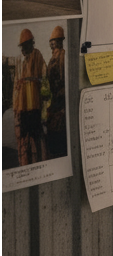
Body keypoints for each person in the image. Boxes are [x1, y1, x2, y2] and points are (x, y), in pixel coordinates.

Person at [13, 28, 46, 166]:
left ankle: (38, 160)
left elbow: (44, 75)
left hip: (34, 103)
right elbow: (16, 82)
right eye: (22, 47)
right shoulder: (19, 60)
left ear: (30, 44)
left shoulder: (37, 55)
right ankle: (26, 162)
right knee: (24, 134)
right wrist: (15, 105)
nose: (23, 50)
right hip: (22, 104)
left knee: (36, 134)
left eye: (25, 46)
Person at [45, 25, 67, 159]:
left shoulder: (63, 56)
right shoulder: (52, 58)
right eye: (51, 41)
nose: (52, 43)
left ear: (60, 41)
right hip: (54, 98)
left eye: (55, 41)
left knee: (58, 126)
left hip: (61, 98)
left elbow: (64, 77)